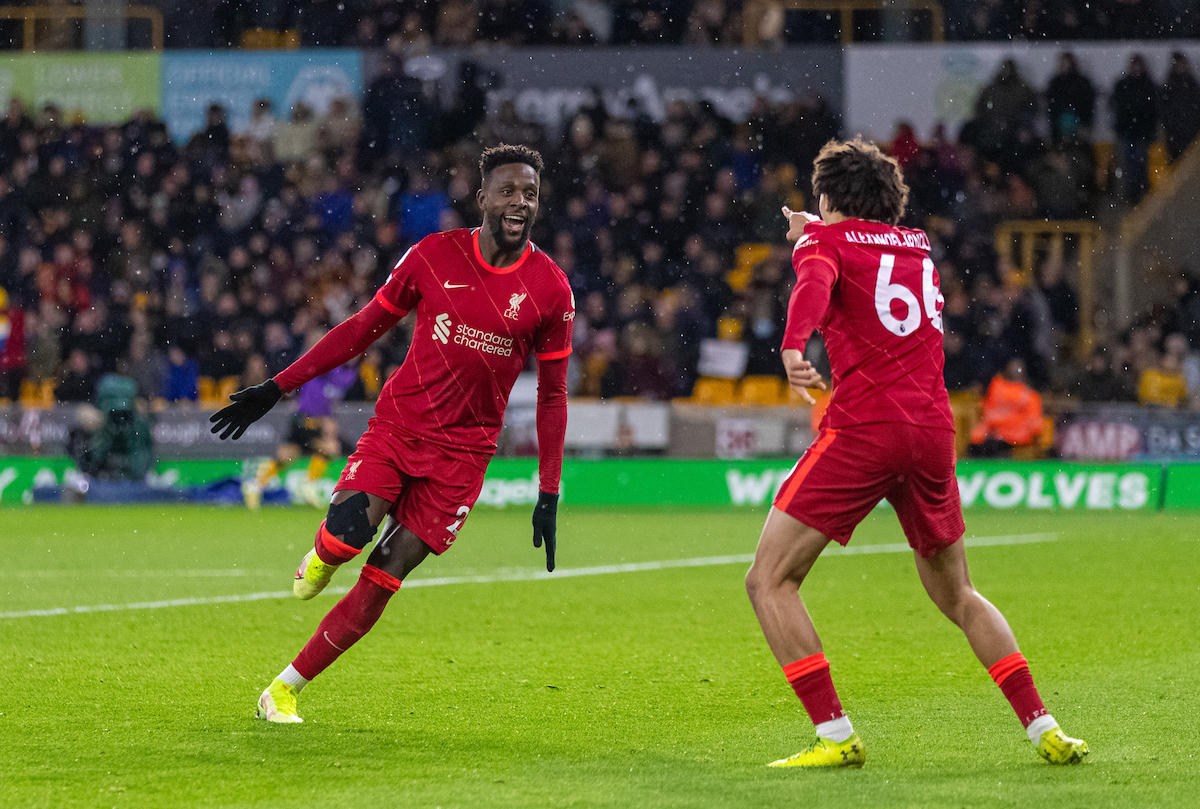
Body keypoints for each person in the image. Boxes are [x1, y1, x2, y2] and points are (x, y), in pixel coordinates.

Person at [743, 137, 1087, 768]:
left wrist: (794, 347)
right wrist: (813, 228)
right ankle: (1044, 727)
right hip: (931, 432)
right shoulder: (917, 246)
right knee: (959, 594)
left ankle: (835, 735)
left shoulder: (825, 245)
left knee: (769, 580)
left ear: (827, 196)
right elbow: (855, 247)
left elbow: (816, 279)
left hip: (867, 428)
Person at [209, 145, 574, 723]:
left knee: (384, 578)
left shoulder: (551, 289)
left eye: (529, 193)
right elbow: (361, 329)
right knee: (348, 535)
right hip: (401, 428)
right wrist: (277, 386)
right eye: (507, 191)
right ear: (482, 198)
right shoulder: (433, 256)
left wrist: (549, 490)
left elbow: (552, 395)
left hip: (465, 458)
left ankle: (282, 689)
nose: (519, 203)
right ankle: (324, 556)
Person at [969, 358, 1045, 457]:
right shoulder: (1029, 396)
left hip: (1000, 439)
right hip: (1006, 440)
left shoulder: (996, 389)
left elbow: (988, 414)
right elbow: (1036, 426)